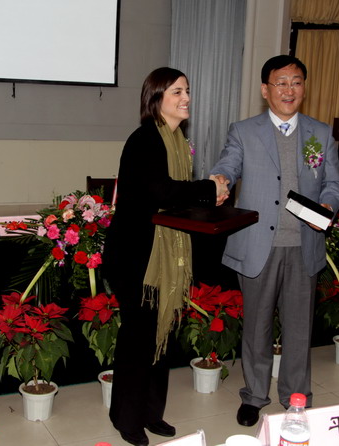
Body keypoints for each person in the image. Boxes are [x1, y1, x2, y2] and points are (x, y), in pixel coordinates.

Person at [209, 55, 339, 426]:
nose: (289, 90)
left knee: (299, 329)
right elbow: (229, 164)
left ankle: (296, 398)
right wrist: (220, 180)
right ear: (265, 90)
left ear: (304, 88)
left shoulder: (320, 133)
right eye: (280, 83)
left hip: (304, 245)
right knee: (257, 327)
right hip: (258, 246)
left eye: (296, 82)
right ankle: (254, 396)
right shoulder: (244, 131)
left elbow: (334, 182)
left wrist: (328, 203)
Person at [102, 67, 229, 446]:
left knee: (162, 337)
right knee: (138, 339)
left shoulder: (177, 141)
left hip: (164, 257)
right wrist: (208, 188)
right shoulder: (144, 139)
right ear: (156, 98)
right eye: (177, 92)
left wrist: (212, 193)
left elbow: (177, 198)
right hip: (136, 259)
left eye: (187, 90)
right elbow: (161, 191)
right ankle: (126, 418)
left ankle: (151, 413)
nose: (186, 98)